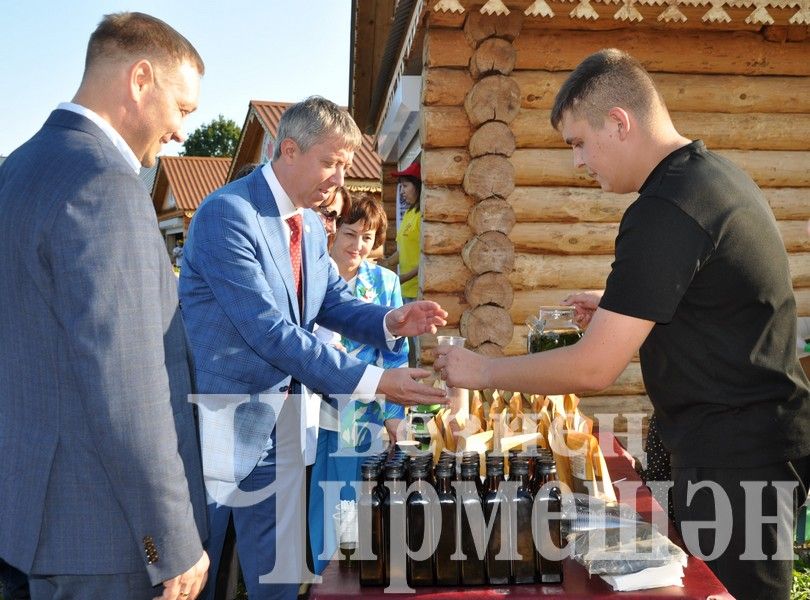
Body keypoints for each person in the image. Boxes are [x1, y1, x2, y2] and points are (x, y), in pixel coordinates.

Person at [433, 48, 810, 599]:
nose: (578, 163)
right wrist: (622, 307)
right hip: (730, 441)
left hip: (738, 456)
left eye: (579, 143)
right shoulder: (707, 177)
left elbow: (594, 368)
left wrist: (482, 369)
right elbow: (706, 303)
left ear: (619, 122)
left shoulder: (665, 208)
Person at [178, 96, 447, 600]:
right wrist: (374, 381)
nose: (340, 180)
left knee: (276, 576)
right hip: (221, 424)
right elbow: (269, 330)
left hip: (282, 425)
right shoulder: (227, 215)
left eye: (345, 166)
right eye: (331, 163)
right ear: (288, 150)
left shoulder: (305, 225)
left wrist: (392, 319)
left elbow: (334, 302)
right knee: (198, 573)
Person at [0, 12, 209, 600]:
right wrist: (169, 540)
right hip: (101, 538)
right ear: (140, 79)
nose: (181, 133)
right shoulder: (106, 184)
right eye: (183, 109)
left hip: (25, 526)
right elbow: (129, 386)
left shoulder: (16, 170)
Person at [308, 195, 408, 574]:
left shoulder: (385, 282)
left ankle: (347, 577)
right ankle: (319, 577)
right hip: (310, 407)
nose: (358, 246)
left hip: (363, 411)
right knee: (316, 498)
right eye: (350, 234)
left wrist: (395, 415)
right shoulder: (308, 279)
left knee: (350, 497)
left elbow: (396, 354)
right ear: (332, 233)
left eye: (368, 238)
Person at [384, 161, 421, 303]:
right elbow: (404, 250)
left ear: (418, 185)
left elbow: (428, 259)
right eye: (401, 187)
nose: (401, 191)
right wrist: (386, 264)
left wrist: (403, 278)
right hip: (404, 290)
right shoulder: (409, 213)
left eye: (405, 186)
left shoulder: (424, 216)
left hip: (418, 290)